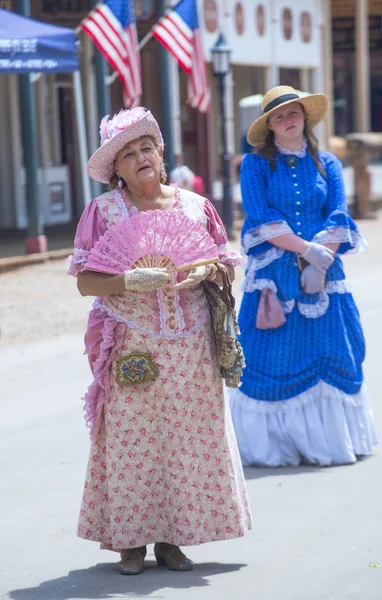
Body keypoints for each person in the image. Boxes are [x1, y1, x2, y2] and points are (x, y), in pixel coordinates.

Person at [68, 106, 252, 576]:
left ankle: (173, 540)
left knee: (186, 442)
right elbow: (87, 282)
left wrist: (205, 269)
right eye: (127, 154)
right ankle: (130, 542)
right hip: (134, 343)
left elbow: (221, 260)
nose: (140, 157)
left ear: (161, 152)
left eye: (146, 147)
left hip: (192, 345)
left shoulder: (194, 205)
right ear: (116, 171)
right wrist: (130, 280)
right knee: (133, 441)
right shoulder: (104, 212)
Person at [229, 86, 378, 468]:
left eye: (293, 113)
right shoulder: (256, 164)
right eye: (278, 117)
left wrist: (321, 260)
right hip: (274, 274)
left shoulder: (327, 162)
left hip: (324, 273)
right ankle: (276, 446)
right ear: (269, 127)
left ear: (305, 117)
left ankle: (329, 443)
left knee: (335, 348)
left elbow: (338, 215)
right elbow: (259, 217)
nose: (288, 120)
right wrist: (305, 251)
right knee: (272, 355)